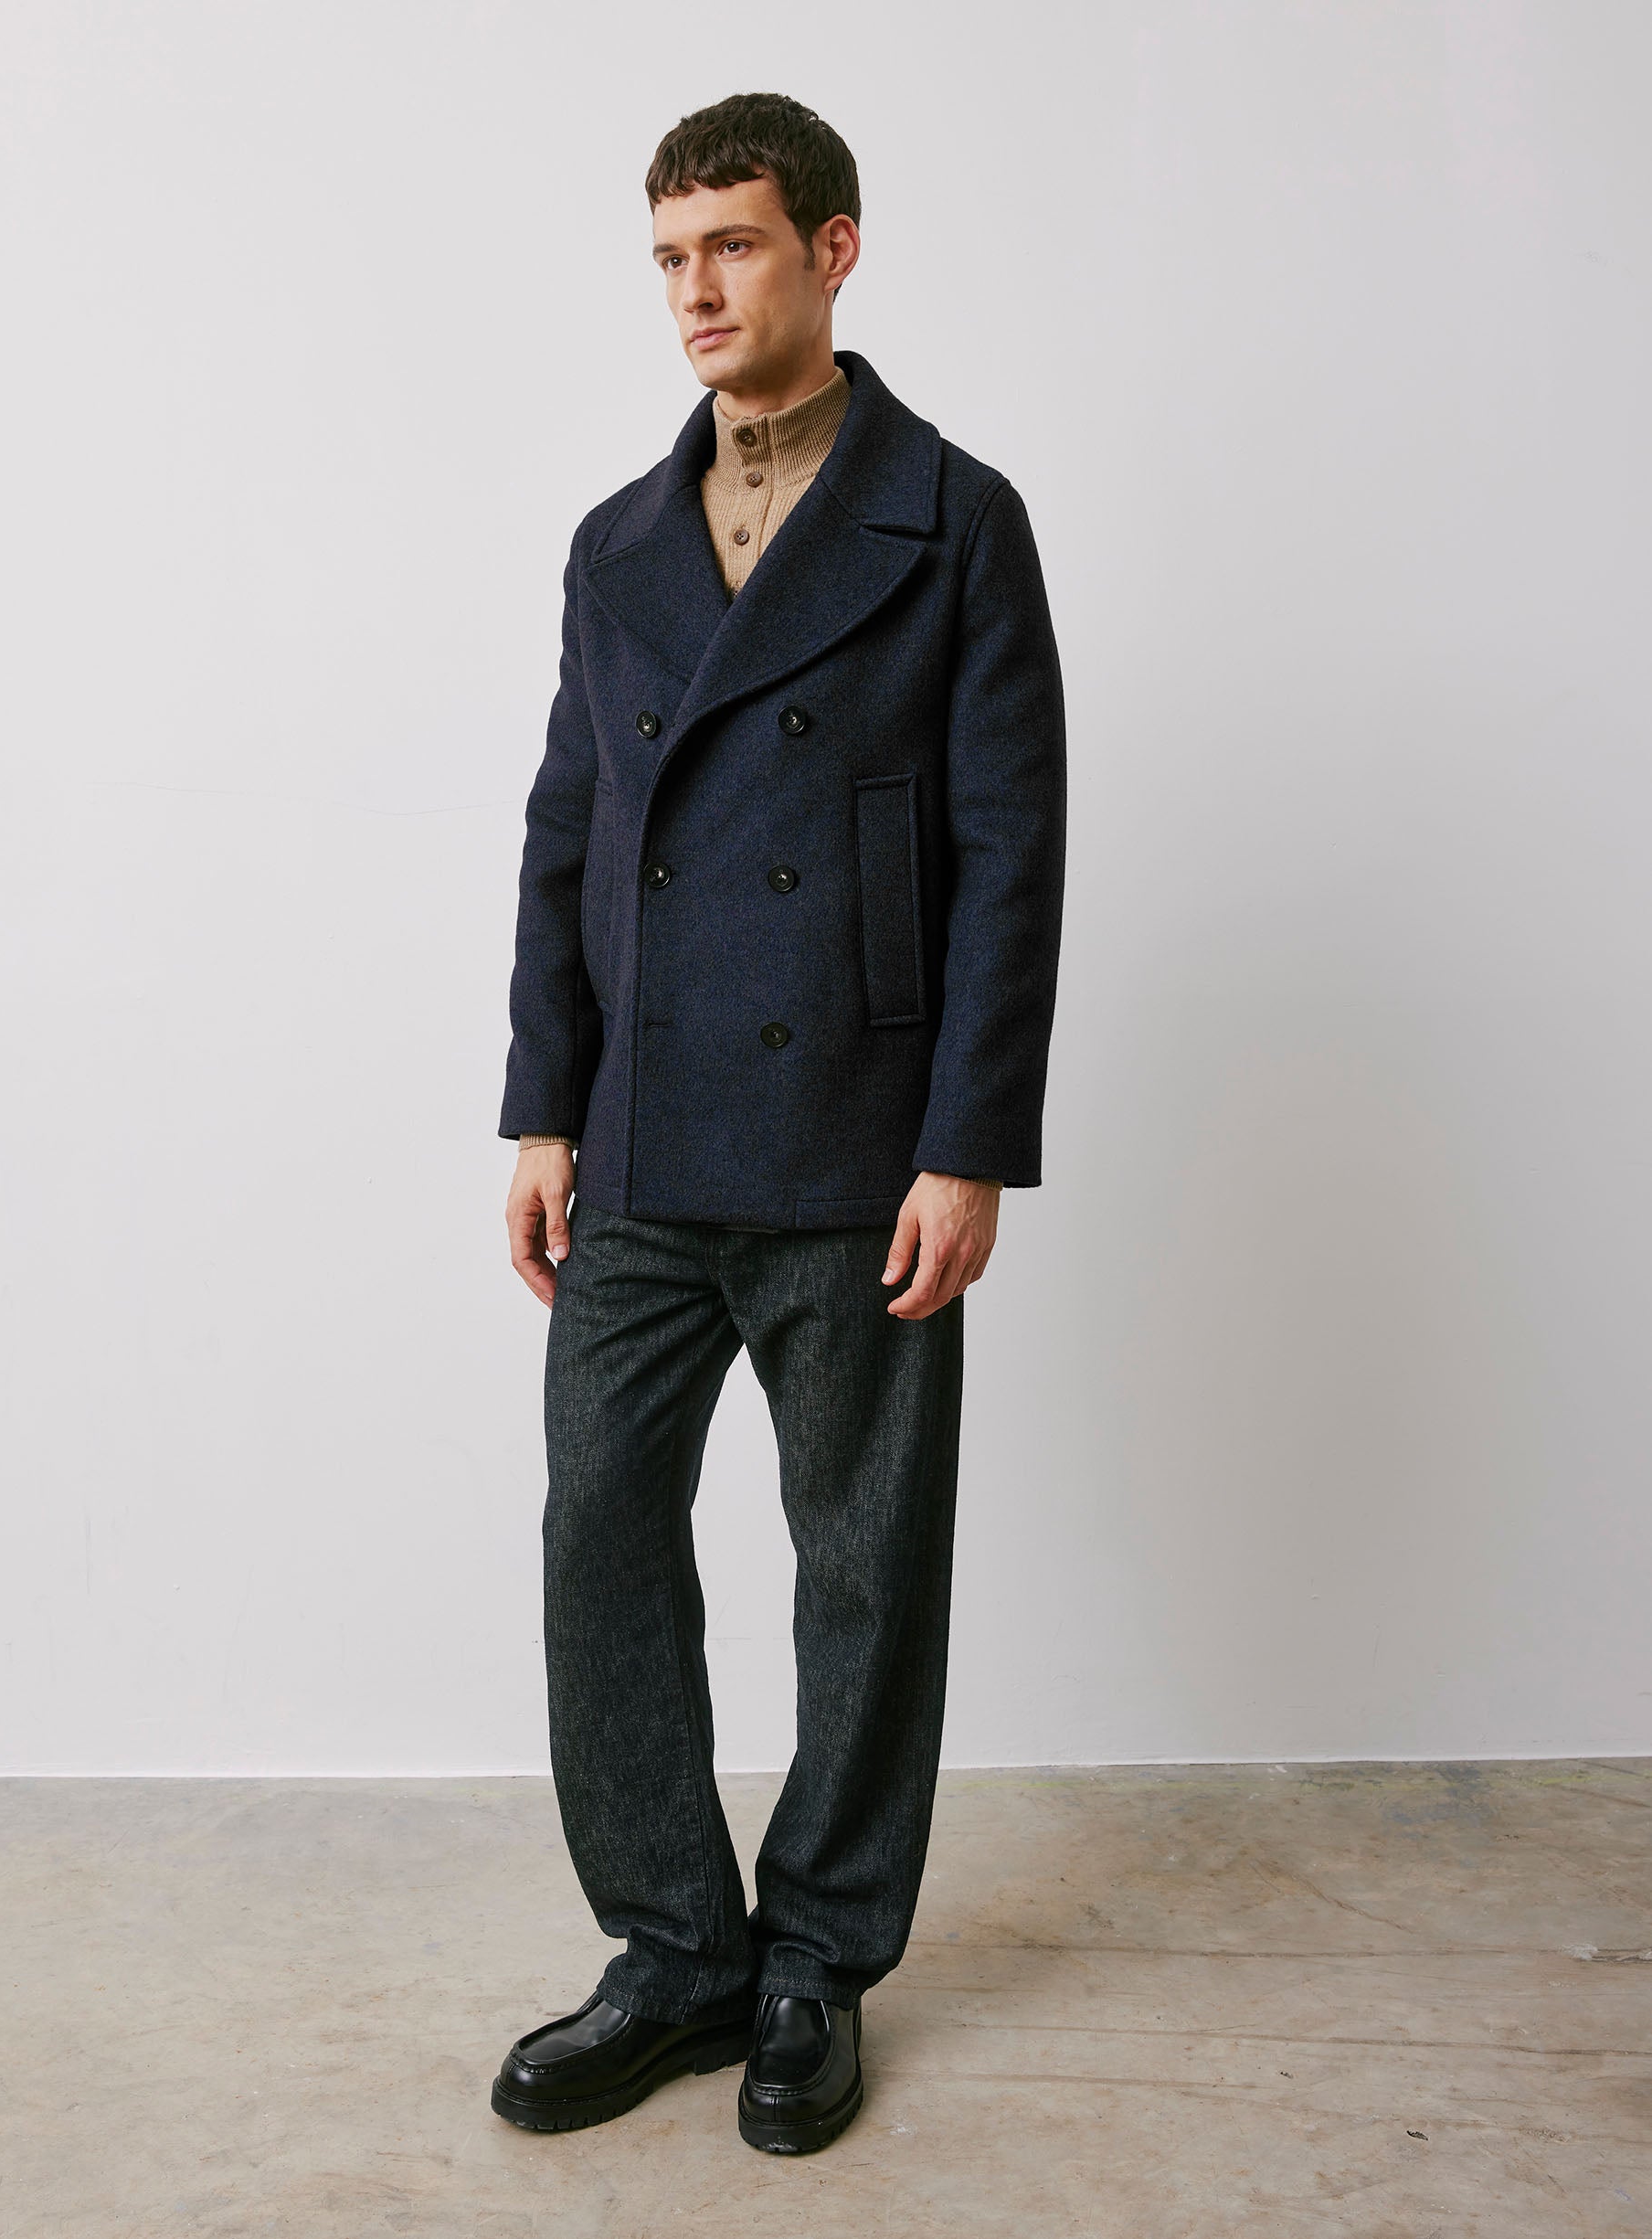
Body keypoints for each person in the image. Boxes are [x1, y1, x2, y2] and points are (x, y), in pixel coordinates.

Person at [488, 90, 1065, 2155]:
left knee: (864, 1567)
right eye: (669, 257)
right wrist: (541, 1106)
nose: (695, 292)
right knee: (600, 1535)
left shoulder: (953, 518)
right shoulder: (617, 542)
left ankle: (817, 1955)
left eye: (730, 245)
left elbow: (1009, 849)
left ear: (833, 249)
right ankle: (675, 1947)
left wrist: (968, 1141)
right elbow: (569, 829)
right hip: (644, 1134)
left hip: (858, 1136)